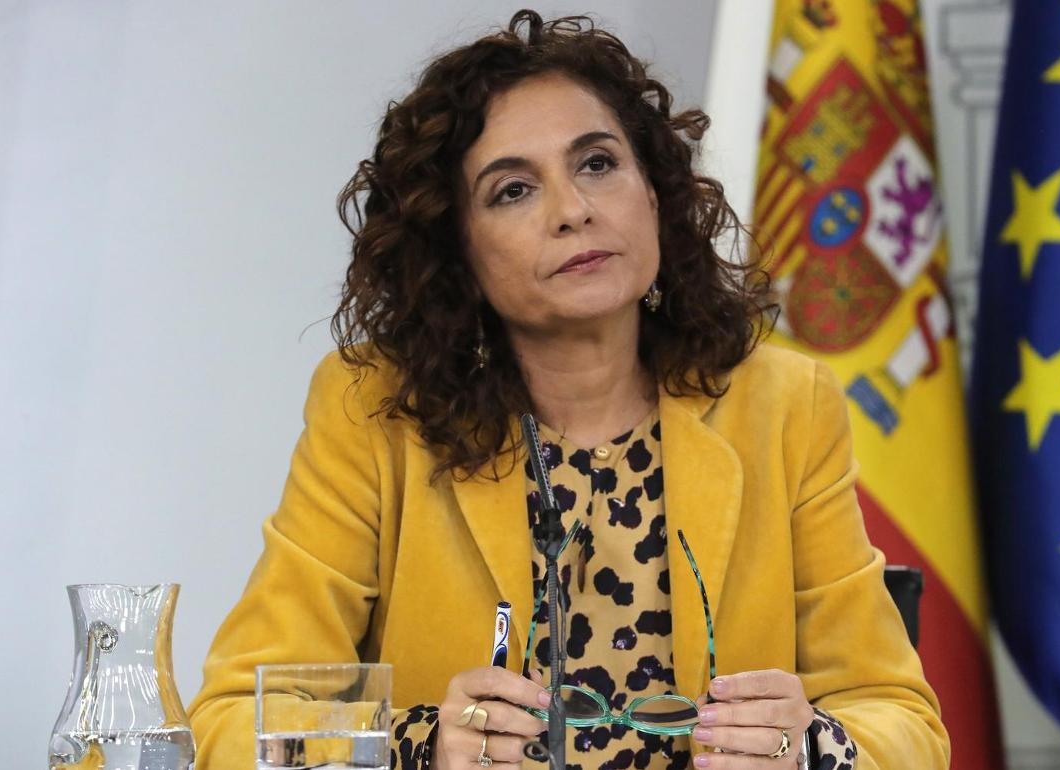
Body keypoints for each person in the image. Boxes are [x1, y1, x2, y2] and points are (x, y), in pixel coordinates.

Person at [188, 10, 949, 770]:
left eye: (597, 164)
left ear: (654, 192)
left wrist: (811, 748)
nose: (573, 210)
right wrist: (419, 747)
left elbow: (902, 720)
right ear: (456, 249)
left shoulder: (783, 405)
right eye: (514, 190)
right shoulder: (377, 412)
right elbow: (232, 721)